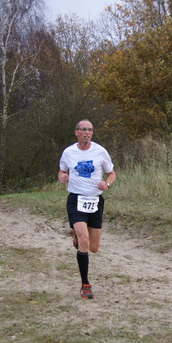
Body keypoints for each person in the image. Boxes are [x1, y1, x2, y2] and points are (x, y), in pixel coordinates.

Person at [58, 120, 116, 299]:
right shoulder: (68, 152)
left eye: (90, 130)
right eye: (83, 130)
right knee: (84, 240)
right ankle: (85, 284)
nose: (87, 133)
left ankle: (77, 235)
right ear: (76, 132)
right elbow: (61, 171)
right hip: (76, 200)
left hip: (95, 201)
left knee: (94, 247)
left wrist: (106, 183)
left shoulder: (100, 151)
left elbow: (112, 174)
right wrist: (62, 176)